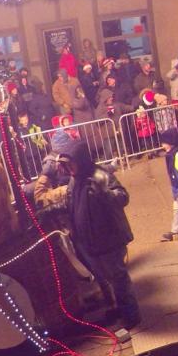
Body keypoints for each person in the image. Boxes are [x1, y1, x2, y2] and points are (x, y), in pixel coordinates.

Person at [37, 140, 140, 329]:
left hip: (108, 241)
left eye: (71, 164)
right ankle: (117, 308)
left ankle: (131, 316)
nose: (69, 169)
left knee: (119, 279)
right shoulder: (75, 178)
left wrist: (104, 194)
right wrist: (50, 210)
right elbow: (71, 203)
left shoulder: (99, 175)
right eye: (66, 165)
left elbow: (123, 197)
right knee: (104, 278)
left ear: (81, 160)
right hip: (88, 242)